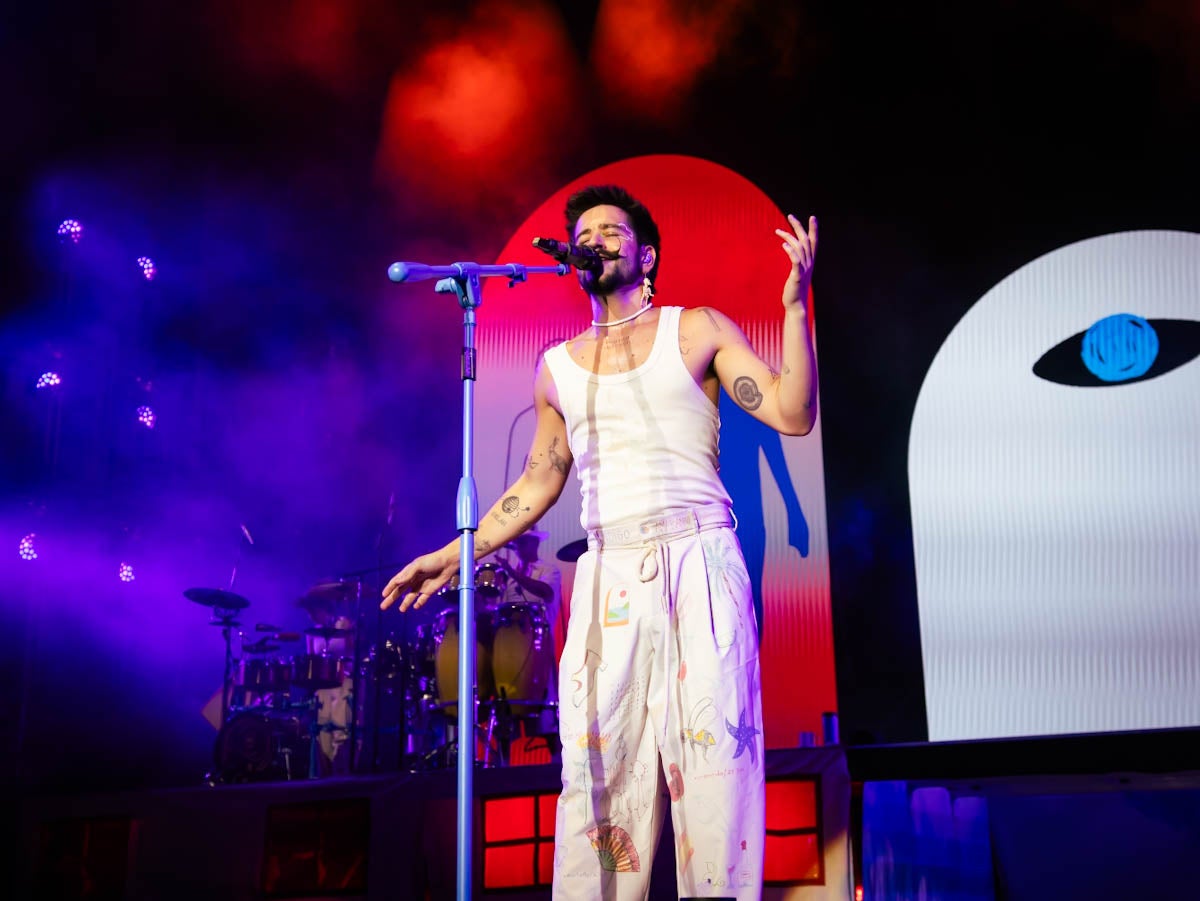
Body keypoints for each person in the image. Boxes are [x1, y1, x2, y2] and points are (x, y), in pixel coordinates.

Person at [383, 184, 818, 900]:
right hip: (608, 574)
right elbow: (538, 481)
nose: (598, 240)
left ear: (647, 254)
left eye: (613, 230)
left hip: (698, 557)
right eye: (586, 232)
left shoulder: (696, 329)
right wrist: (457, 550)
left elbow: (792, 412)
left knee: (716, 783)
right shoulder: (556, 367)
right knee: (597, 779)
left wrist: (795, 308)